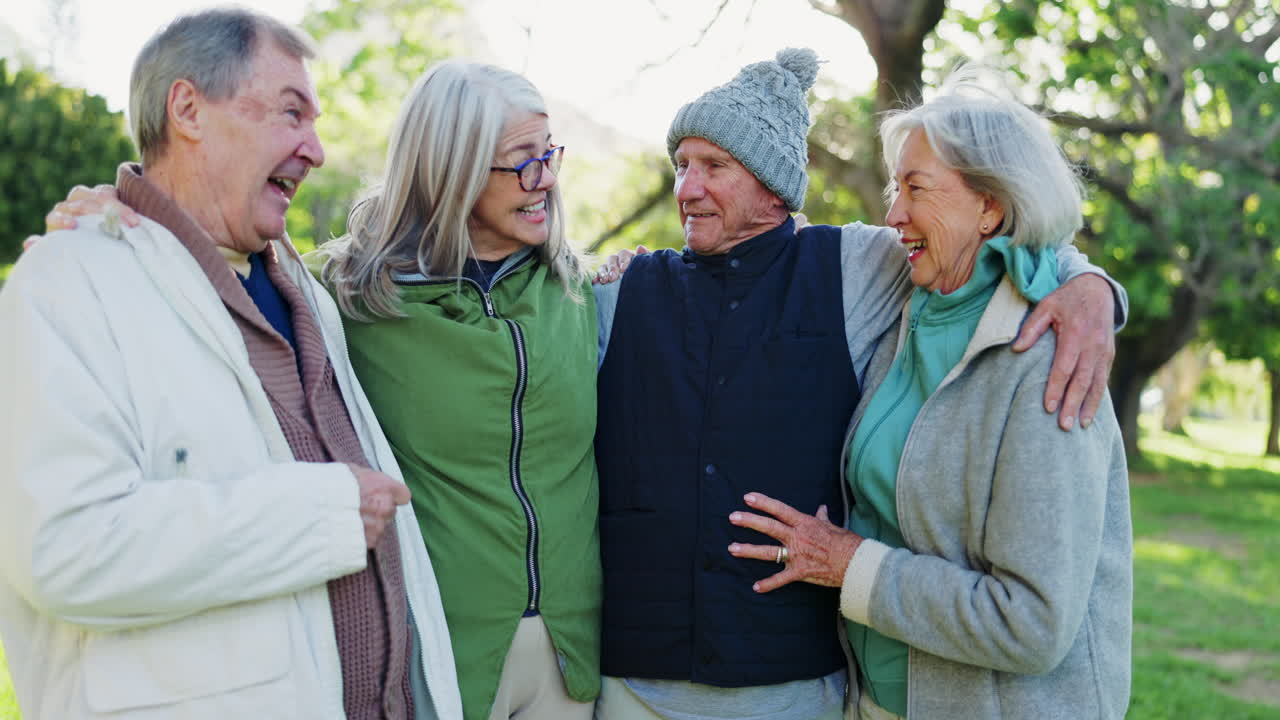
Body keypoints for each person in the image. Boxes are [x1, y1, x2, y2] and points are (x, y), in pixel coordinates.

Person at [590, 50, 1127, 720]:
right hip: (853, 696)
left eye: (714, 166)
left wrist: (1089, 287)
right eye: (681, 165)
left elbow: (1027, 231)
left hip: (908, 694)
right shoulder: (910, 317)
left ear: (775, 186)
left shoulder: (883, 280)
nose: (686, 187)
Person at [0, 8, 461, 720]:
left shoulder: (297, 284)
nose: (317, 149)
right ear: (188, 109)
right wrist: (321, 513)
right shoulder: (65, 282)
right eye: (289, 113)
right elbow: (66, 548)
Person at [311, 61, 601, 720]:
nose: (547, 180)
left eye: (549, 153)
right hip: (434, 659)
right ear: (454, 169)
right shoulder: (343, 298)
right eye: (523, 161)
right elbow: (217, 286)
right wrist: (111, 216)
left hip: (571, 664)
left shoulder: (581, 294)